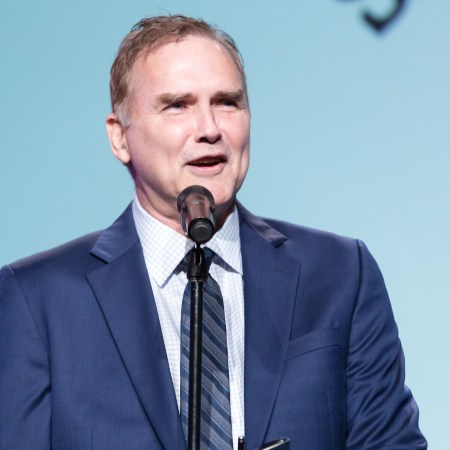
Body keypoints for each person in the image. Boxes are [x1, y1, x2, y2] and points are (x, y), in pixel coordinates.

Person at [0, 15, 426, 450]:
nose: (209, 129)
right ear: (119, 138)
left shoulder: (340, 275)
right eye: (177, 105)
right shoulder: (36, 299)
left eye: (227, 102)